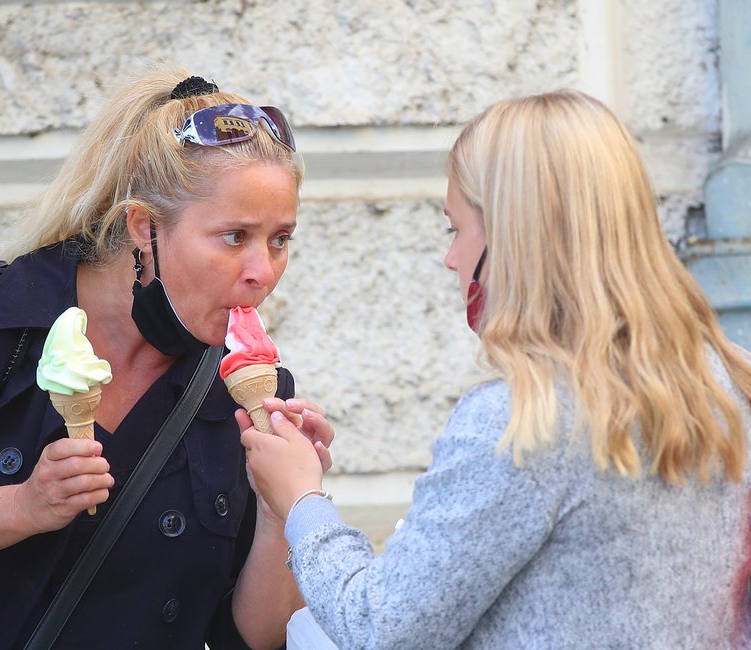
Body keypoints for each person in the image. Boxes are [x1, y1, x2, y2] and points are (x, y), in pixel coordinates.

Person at [0, 66, 333, 649]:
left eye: (280, 240)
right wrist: (24, 505)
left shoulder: (247, 392)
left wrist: (288, 510)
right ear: (144, 227)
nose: (262, 273)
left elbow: (249, 636)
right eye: (235, 237)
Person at [241, 89, 751, 649]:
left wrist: (301, 501)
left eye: (455, 228)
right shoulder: (725, 383)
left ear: (512, 235)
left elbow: (381, 629)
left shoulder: (523, 420)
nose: (451, 258)